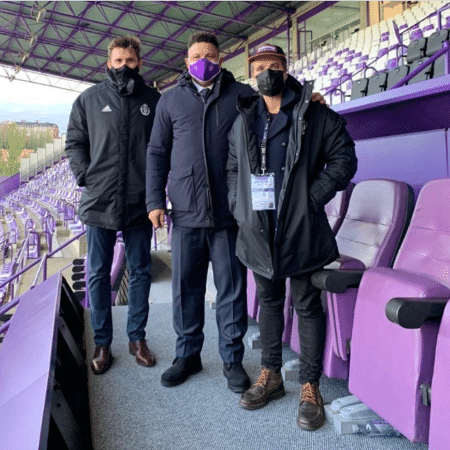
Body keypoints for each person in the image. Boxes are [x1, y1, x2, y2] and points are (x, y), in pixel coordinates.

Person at [226, 44, 357, 430]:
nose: (267, 71)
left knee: (306, 305)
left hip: (301, 229)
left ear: (286, 70)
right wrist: (239, 207)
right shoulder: (244, 118)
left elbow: (344, 158)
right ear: (253, 75)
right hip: (258, 229)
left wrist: (311, 199)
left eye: (274, 66)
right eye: (260, 67)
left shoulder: (313, 113)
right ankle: (271, 375)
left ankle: (310, 386)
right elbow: (233, 167)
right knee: (269, 302)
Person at [146, 32, 255, 393]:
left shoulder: (242, 95)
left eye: (209, 54)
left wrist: (310, 99)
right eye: (196, 55)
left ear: (220, 58)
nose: (202, 60)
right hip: (187, 213)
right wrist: (155, 202)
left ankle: (232, 360)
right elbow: (157, 153)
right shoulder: (170, 101)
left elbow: (272, 117)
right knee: (185, 289)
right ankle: (187, 355)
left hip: (228, 215)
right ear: (186, 61)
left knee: (231, 291)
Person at [65, 35, 160, 375]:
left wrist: (157, 193)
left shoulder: (154, 100)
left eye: (130, 61)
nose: (124, 67)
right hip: (99, 202)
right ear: (108, 63)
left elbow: (165, 146)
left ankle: (137, 338)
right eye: (118, 61)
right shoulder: (89, 100)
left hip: (139, 203)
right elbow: (74, 142)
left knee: (141, 271)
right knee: (97, 273)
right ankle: (103, 342)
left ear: (140, 63)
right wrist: (85, 176)